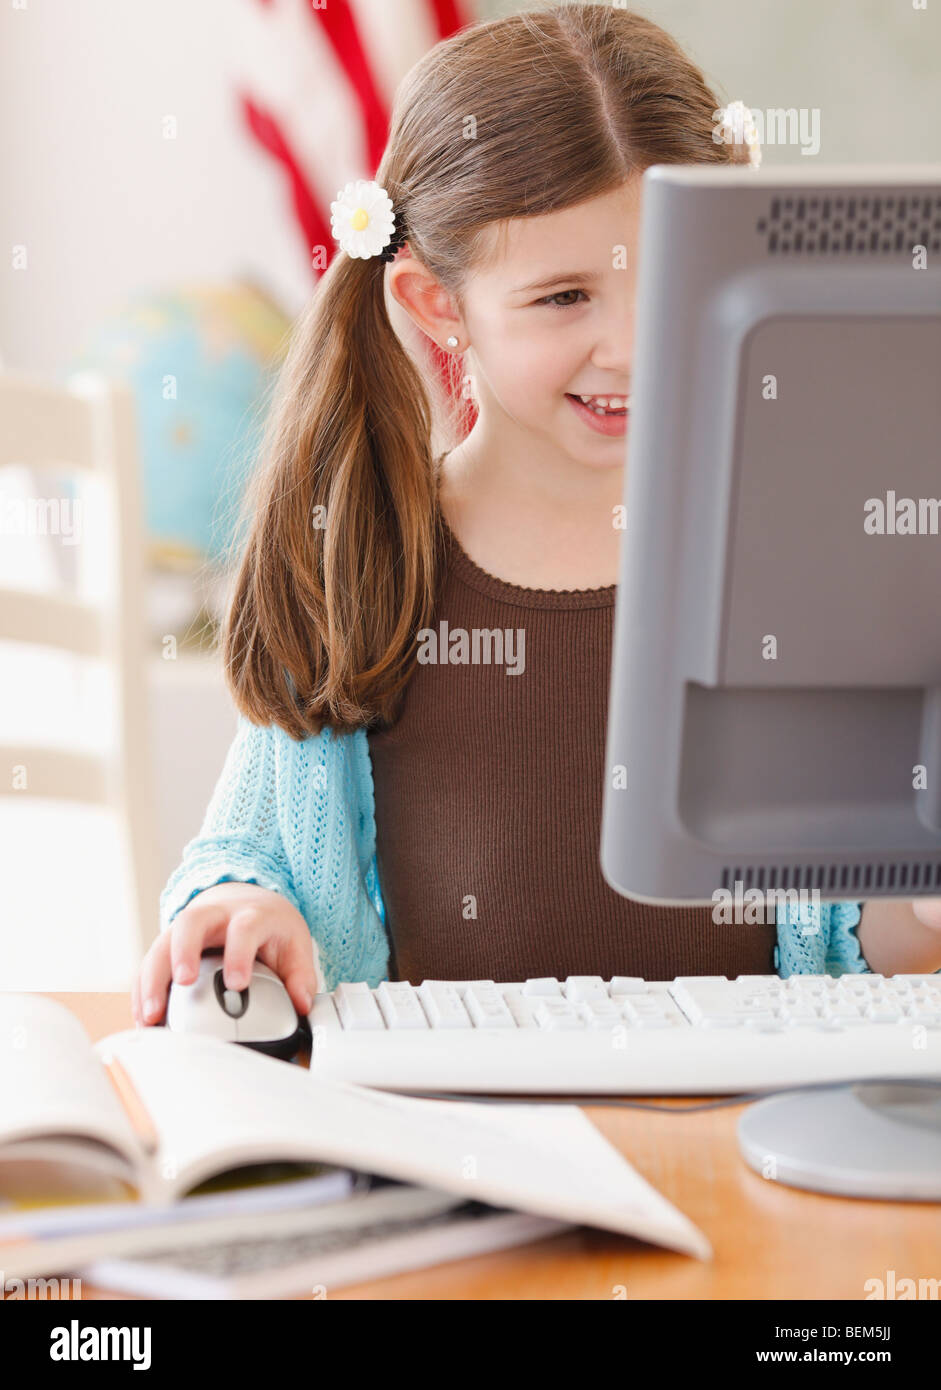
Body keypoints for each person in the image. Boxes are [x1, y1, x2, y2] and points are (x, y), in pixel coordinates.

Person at [134, 2, 941, 1027]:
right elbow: (248, 863)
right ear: (437, 305)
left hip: (722, 1147)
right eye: (564, 297)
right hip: (453, 1147)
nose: (630, 346)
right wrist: (244, 910)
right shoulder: (366, 561)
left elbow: (850, 934)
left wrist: (921, 896)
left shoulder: (779, 563)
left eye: (670, 284)